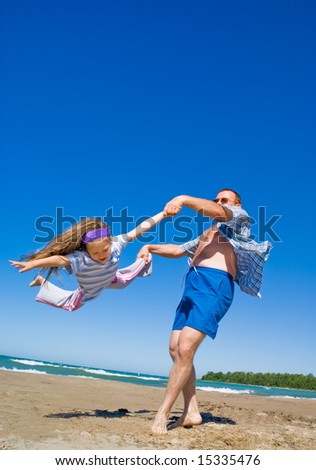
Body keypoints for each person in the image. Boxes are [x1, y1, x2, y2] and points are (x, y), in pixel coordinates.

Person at [137, 188, 272, 434]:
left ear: (236, 204)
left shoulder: (238, 219)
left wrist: (182, 199)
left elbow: (219, 212)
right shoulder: (207, 233)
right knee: (175, 349)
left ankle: (162, 413)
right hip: (191, 287)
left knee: (186, 348)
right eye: (217, 199)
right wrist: (150, 247)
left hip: (215, 284)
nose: (219, 202)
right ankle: (192, 411)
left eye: (225, 199)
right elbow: (178, 251)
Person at [9, 211, 165, 312]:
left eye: (105, 250)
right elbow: (59, 260)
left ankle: (145, 258)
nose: (101, 255)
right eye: (95, 253)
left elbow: (139, 229)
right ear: (87, 251)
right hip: (88, 292)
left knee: (126, 280)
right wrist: (33, 263)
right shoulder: (82, 259)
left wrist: (163, 214)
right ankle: (41, 282)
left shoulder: (117, 243)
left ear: (110, 242)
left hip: (111, 279)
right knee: (70, 307)